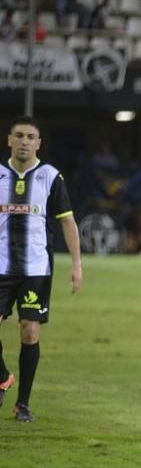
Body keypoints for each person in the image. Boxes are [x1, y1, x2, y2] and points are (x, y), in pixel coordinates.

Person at [0, 116, 83, 422]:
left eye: (30, 136)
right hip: (1, 266)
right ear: (9, 139)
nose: (24, 141)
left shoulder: (50, 176)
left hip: (36, 268)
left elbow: (67, 221)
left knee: (29, 330)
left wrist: (76, 264)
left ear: (38, 143)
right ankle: (3, 377)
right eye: (19, 135)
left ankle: (22, 404)